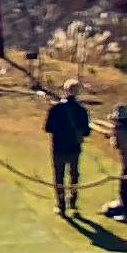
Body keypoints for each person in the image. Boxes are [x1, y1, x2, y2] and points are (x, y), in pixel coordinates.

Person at [44, 78, 91, 215]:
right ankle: (73, 202)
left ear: (65, 90)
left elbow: (48, 128)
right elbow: (86, 131)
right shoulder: (82, 110)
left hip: (59, 147)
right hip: (74, 147)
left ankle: (61, 204)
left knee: (59, 176)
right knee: (74, 175)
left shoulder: (56, 109)